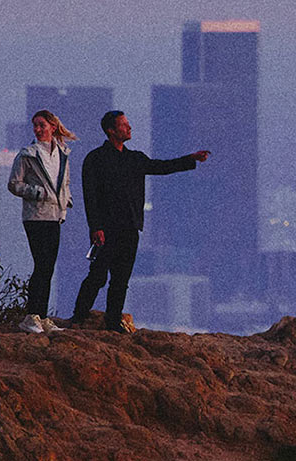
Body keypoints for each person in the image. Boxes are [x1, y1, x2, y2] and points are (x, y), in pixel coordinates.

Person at [71, 109, 209, 332]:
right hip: (106, 229)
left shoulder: (134, 158)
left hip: (130, 228)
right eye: (124, 124)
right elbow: (90, 196)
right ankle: (78, 318)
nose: (129, 127)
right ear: (111, 131)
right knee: (97, 276)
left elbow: (161, 167)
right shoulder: (95, 159)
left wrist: (190, 160)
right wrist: (95, 227)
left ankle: (113, 321)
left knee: (121, 278)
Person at [7, 108, 77, 333]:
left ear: (52, 127)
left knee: (48, 266)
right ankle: (31, 315)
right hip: (35, 215)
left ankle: (42, 315)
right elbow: (14, 184)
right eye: (35, 125)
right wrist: (37, 192)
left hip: (55, 216)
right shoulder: (27, 154)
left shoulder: (63, 153)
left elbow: (64, 183)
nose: (37, 129)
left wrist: (64, 206)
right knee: (41, 264)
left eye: (41, 125)